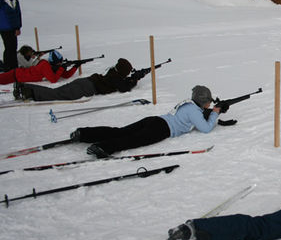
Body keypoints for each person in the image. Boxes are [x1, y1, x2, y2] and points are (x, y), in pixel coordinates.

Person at [69, 85, 221, 158]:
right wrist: (215, 113)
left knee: (120, 131)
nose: (209, 104)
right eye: (208, 101)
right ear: (202, 101)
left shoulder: (189, 104)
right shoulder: (194, 111)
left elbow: (196, 115)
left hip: (155, 120)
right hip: (162, 129)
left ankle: (84, 134)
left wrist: (210, 111)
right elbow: (206, 128)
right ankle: (102, 147)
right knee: (133, 140)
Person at [13, 57, 141, 102]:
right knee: (56, 94)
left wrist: (133, 78)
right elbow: (124, 88)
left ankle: (25, 87)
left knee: (57, 91)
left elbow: (122, 83)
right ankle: (28, 92)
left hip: (84, 82)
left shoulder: (112, 72)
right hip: (86, 88)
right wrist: (135, 80)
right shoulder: (116, 78)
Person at [0, 49, 77, 84]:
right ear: (53, 63)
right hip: (17, 74)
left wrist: (75, 67)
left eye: (61, 64)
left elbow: (65, 75)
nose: (60, 65)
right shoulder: (45, 65)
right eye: (59, 64)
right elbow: (53, 80)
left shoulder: (51, 67)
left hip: (18, 76)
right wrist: (62, 68)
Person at [0, 0, 22, 72]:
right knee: (9, 48)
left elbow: (18, 15)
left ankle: (14, 67)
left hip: (13, 28)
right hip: (4, 28)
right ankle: (8, 67)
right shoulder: (1, 0)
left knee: (13, 48)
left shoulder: (15, 1)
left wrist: (18, 27)